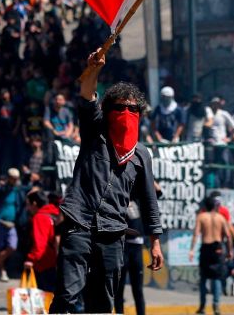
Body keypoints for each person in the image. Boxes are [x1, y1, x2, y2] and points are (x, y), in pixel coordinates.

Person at [50, 48, 163, 313]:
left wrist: (155, 241)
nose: (126, 112)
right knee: (67, 296)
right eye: (119, 107)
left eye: (132, 108)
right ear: (107, 110)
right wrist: (93, 69)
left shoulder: (142, 155)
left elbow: (149, 200)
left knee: (102, 304)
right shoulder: (95, 132)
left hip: (113, 232)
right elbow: (87, 96)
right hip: (79, 222)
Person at [189, 196, 232, 315]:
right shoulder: (221, 218)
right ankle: (216, 305)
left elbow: (196, 234)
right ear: (214, 206)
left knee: (204, 277)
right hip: (217, 248)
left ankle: (202, 306)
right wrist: (229, 251)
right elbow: (228, 236)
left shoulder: (201, 217)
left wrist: (191, 250)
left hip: (206, 247)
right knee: (216, 277)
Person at [115, 200, 147, 315]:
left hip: (137, 249)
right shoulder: (118, 197)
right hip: (122, 247)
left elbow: (158, 191)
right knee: (119, 290)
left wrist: (148, 180)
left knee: (138, 290)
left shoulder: (140, 198)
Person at [24, 190, 59, 293]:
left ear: (34, 204)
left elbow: (40, 245)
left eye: (28, 205)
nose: (27, 208)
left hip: (45, 264)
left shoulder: (40, 217)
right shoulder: (56, 214)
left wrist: (31, 259)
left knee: (47, 297)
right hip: (59, 262)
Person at [0, 89, 21, 174]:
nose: (4, 96)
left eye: (6, 94)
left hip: (11, 130)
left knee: (13, 150)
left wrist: (16, 128)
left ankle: (13, 168)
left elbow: (18, 117)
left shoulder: (14, 105)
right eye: (2, 94)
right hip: (1, 131)